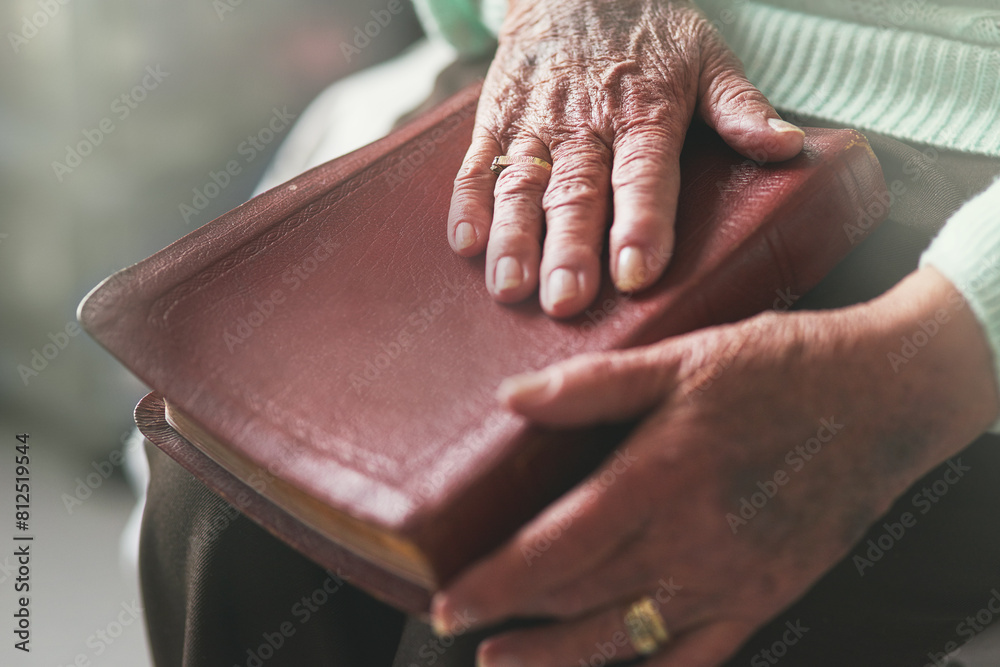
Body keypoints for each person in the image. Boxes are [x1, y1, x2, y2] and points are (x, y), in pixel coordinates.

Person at [139, 0, 1000, 665]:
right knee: (226, 503)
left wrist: (939, 352)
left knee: (546, 598)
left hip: (959, 154)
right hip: (601, 52)